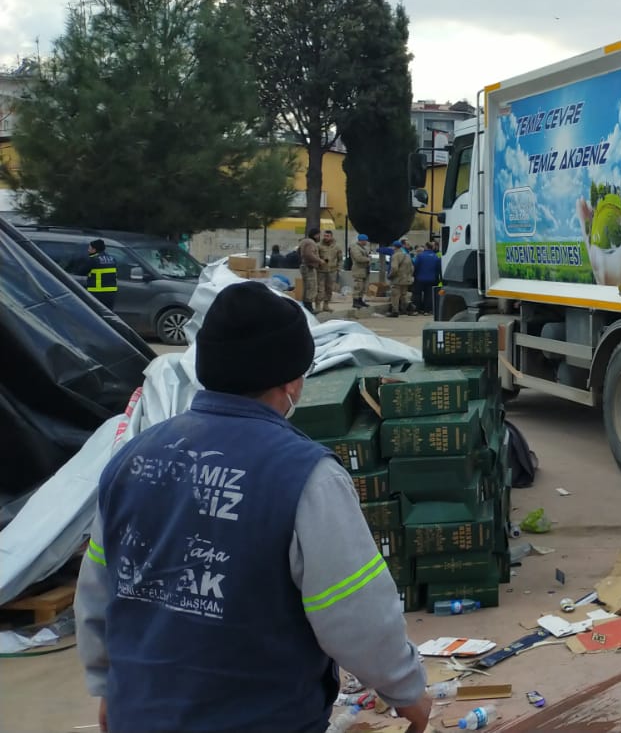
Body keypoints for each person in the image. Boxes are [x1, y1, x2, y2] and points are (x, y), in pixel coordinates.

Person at [75, 281, 431, 733]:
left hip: (140, 714)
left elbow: (98, 591)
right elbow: (355, 614)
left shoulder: (132, 459)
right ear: (292, 380)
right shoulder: (306, 476)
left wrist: (107, 685)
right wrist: (407, 690)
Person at [84, 239, 118, 309]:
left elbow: (81, 271)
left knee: (94, 313)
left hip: (96, 293)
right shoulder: (112, 259)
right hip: (111, 293)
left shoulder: (93, 259)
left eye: (90, 248)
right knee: (107, 313)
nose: (88, 250)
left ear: (94, 249)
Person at [315, 229, 342, 314]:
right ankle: (318, 305)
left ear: (331, 236)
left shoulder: (337, 247)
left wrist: (339, 269)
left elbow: (340, 259)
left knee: (329, 289)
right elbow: (316, 257)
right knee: (320, 289)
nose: (325, 237)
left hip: (332, 271)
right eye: (325, 236)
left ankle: (326, 305)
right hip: (321, 270)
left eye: (327, 236)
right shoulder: (318, 246)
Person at [412, 241, 441, 318]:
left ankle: (416, 310)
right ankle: (427, 311)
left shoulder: (420, 256)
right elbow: (438, 269)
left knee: (417, 294)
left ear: (426, 247)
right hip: (432, 279)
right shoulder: (436, 257)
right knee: (429, 295)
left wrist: (414, 275)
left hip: (420, 278)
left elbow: (415, 266)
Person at [297, 229, 321, 313]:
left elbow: (299, 251)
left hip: (305, 266)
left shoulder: (304, 241)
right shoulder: (310, 242)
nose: (319, 237)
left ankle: (307, 306)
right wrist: (319, 260)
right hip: (309, 267)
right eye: (318, 235)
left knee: (307, 287)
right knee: (311, 287)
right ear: (315, 235)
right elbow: (309, 254)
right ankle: (309, 307)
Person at [388, 240, 414, 317]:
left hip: (397, 279)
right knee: (404, 295)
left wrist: (390, 275)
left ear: (394, 247)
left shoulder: (395, 256)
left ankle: (395, 311)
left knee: (395, 295)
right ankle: (406, 309)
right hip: (406, 279)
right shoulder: (407, 255)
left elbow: (394, 268)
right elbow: (412, 268)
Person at [350, 234, 375, 309]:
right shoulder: (355, 247)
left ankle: (360, 300)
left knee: (363, 287)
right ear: (362, 240)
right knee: (358, 286)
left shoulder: (363, 248)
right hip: (358, 270)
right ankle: (355, 301)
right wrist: (368, 259)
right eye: (365, 240)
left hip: (365, 270)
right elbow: (358, 258)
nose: (366, 242)